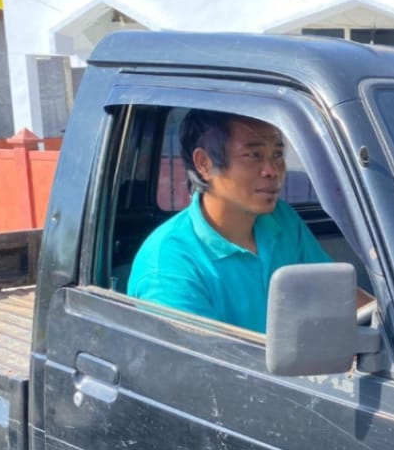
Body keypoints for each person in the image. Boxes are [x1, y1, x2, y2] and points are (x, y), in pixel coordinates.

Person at [128, 109, 343, 333]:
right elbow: (201, 361)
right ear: (204, 164)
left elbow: (335, 293)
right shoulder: (168, 264)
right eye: (253, 155)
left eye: (277, 155)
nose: (272, 171)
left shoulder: (281, 218)